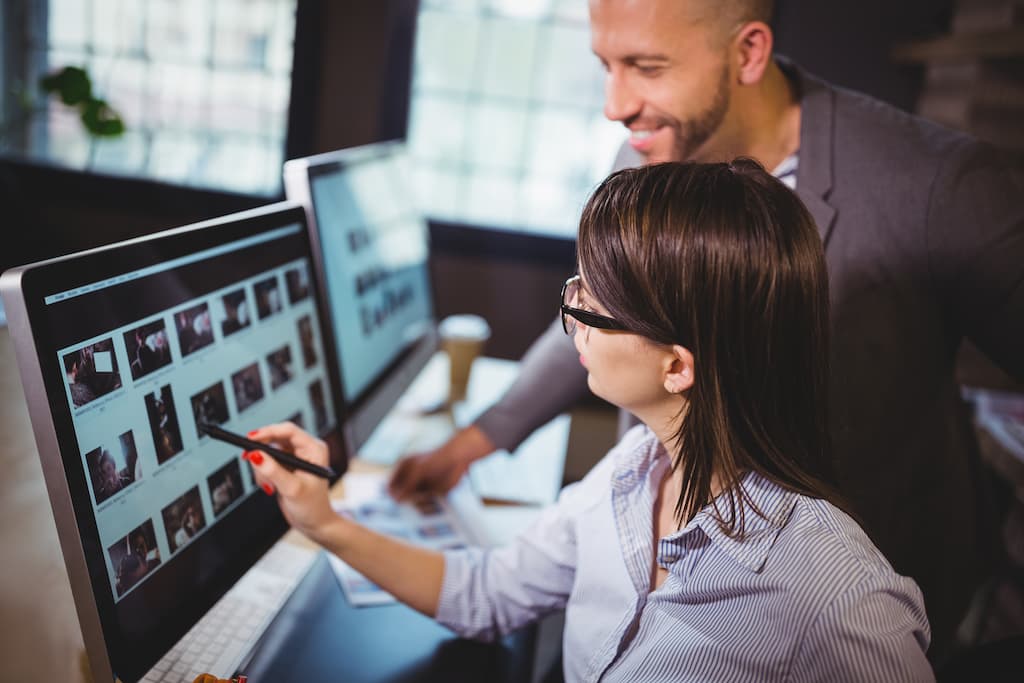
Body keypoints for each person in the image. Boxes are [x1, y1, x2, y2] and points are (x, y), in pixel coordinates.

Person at [386, 0, 1024, 661]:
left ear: (747, 53)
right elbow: (600, 310)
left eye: (646, 66)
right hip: (664, 572)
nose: (615, 105)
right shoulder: (647, 151)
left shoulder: (933, 185)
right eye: (606, 65)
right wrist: (479, 438)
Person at [247, 160, 933, 681]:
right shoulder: (630, 474)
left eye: (592, 302)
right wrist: (324, 521)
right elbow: (486, 595)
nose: (570, 315)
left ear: (677, 368)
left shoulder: (839, 596)